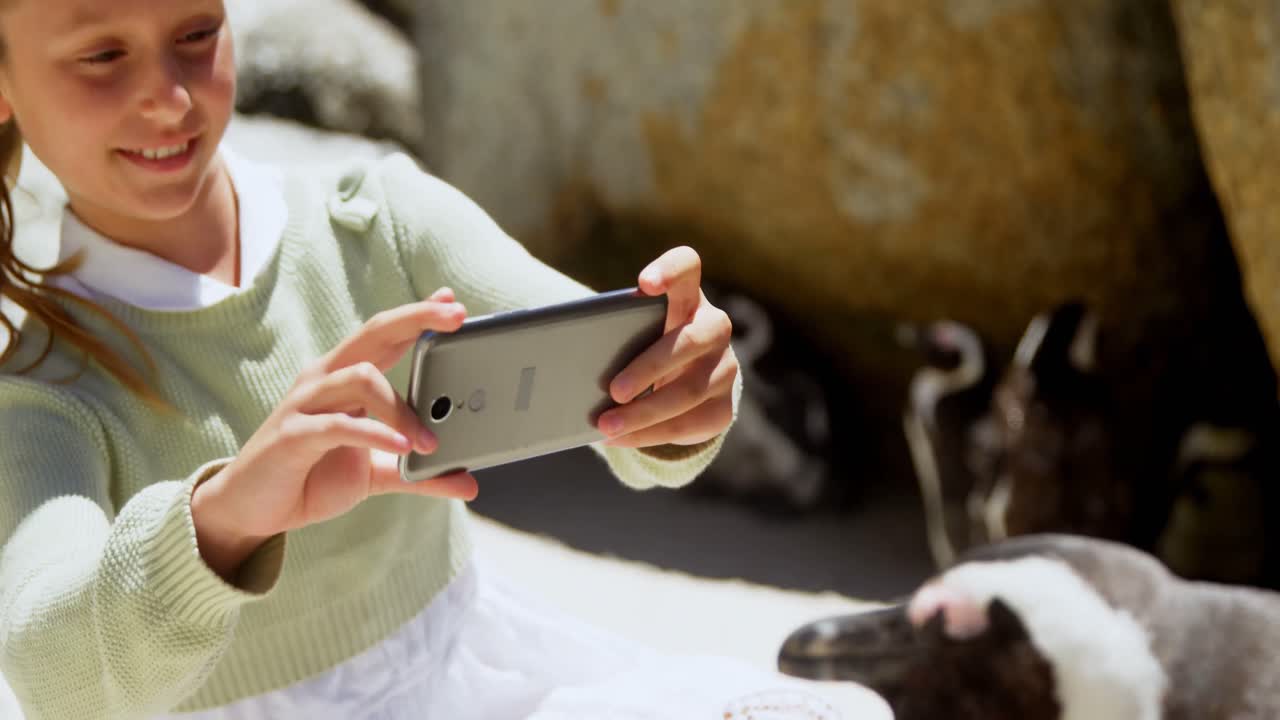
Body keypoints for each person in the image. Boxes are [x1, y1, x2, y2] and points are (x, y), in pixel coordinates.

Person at [0, 1, 843, 718]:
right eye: (102, 55)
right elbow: (51, 676)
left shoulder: (379, 224)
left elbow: (605, 378)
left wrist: (673, 395)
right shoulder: (43, 390)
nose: (170, 96)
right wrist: (223, 518)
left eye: (196, 32)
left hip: (472, 679)